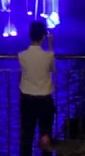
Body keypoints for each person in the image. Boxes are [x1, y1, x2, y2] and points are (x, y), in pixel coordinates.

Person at [18, 20, 56, 156]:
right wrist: (51, 46)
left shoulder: (22, 56)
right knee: (45, 133)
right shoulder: (48, 56)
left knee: (26, 134)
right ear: (43, 36)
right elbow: (52, 69)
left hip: (27, 98)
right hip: (45, 99)